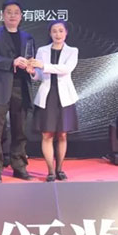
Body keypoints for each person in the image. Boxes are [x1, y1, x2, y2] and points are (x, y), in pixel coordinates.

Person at [0, 0, 36, 184]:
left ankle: (19, 167)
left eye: (16, 12)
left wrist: (31, 67)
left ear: (21, 16)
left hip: (21, 87)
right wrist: (11, 62)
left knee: (20, 131)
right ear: (3, 15)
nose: (13, 15)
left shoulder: (28, 37)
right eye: (9, 12)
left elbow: (32, 60)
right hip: (0, 88)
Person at [28, 20, 79, 182]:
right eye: (54, 31)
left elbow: (66, 69)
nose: (58, 34)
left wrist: (43, 65)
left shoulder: (72, 51)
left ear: (66, 33)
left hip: (65, 97)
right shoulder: (42, 51)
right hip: (47, 96)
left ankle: (60, 169)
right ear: (50, 34)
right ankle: (50, 171)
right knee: (47, 135)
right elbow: (39, 75)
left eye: (61, 31)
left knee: (62, 134)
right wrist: (32, 72)